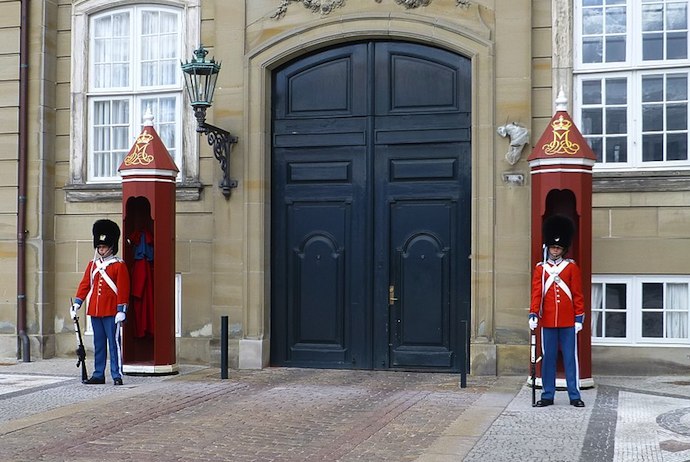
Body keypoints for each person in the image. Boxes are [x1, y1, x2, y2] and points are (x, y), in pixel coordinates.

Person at [529, 214, 585, 407]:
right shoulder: (541, 269)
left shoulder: (571, 268)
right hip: (548, 321)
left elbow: (577, 294)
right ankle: (547, 395)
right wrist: (533, 313)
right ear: (548, 247)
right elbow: (537, 293)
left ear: (563, 249)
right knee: (548, 359)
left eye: (558, 247)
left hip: (569, 321)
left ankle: (574, 395)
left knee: (570, 359)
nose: (555, 250)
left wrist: (579, 318)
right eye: (553, 247)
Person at [70, 219, 130, 385]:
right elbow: (85, 285)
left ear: (111, 247)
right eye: (99, 247)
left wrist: (121, 310)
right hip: (95, 311)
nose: (101, 249)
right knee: (99, 345)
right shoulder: (93, 265)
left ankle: (116, 374)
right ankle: (98, 374)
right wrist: (77, 303)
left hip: (112, 312)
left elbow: (124, 289)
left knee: (114, 344)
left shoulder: (118, 265)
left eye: (103, 247)